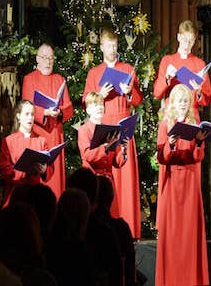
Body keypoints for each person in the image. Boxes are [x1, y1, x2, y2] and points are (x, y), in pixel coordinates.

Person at [82, 28, 144, 237]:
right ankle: (106, 223)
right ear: (101, 47)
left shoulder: (126, 68)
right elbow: (85, 101)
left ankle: (128, 228)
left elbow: (137, 100)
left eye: (115, 45)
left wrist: (128, 93)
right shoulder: (94, 72)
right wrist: (99, 94)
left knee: (125, 178)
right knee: (107, 177)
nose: (112, 49)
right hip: (104, 124)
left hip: (123, 123)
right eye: (108, 45)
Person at [155, 84, 209, 286]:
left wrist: (198, 142)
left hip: (190, 182)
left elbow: (198, 157)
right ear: (172, 103)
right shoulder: (165, 125)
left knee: (189, 233)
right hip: (172, 182)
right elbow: (162, 158)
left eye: (186, 101)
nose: (183, 105)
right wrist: (170, 143)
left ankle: (191, 279)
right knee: (173, 232)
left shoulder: (194, 123)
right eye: (179, 101)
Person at [20, 43, 73, 199]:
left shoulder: (59, 79)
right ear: (37, 59)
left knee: (56, 182)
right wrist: (44, 112)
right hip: (38, 134)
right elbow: (27, 105)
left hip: (55, 134)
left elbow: (69, 107)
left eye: (51, 58)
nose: (48, 61)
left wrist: (60, 112)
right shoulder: (29, 79)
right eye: (44, 57)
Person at [0, 100, 54, 207]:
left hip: (35, 195)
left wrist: (44, 170)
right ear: (18, 116)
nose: (30, 118)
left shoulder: (41, 141)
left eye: (32, 114)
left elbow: (50, 166)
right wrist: (22, 173)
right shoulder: (9, 141)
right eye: (27, 114)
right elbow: (3, 168)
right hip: (15, 193)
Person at [153, 19, 211, 107]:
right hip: (172, 113)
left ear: (194, 40)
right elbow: (157, 93)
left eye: (191, 41)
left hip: (191, 113)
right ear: (179, 37)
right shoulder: (167, 61)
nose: (187, 45)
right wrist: (166, 78)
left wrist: (199, 92)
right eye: (185, 40)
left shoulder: (200, 64)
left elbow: (207, 100)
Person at [77, 92, 129, 180]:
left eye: (101, 104)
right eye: (96, 105)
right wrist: (105, 146)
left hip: (107, 180)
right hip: (91, 179)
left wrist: (123, 150)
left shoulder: (110, 129)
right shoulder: (84, 130)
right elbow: (87, 156)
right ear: (88, 110)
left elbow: (116, 162)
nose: (100, 107)